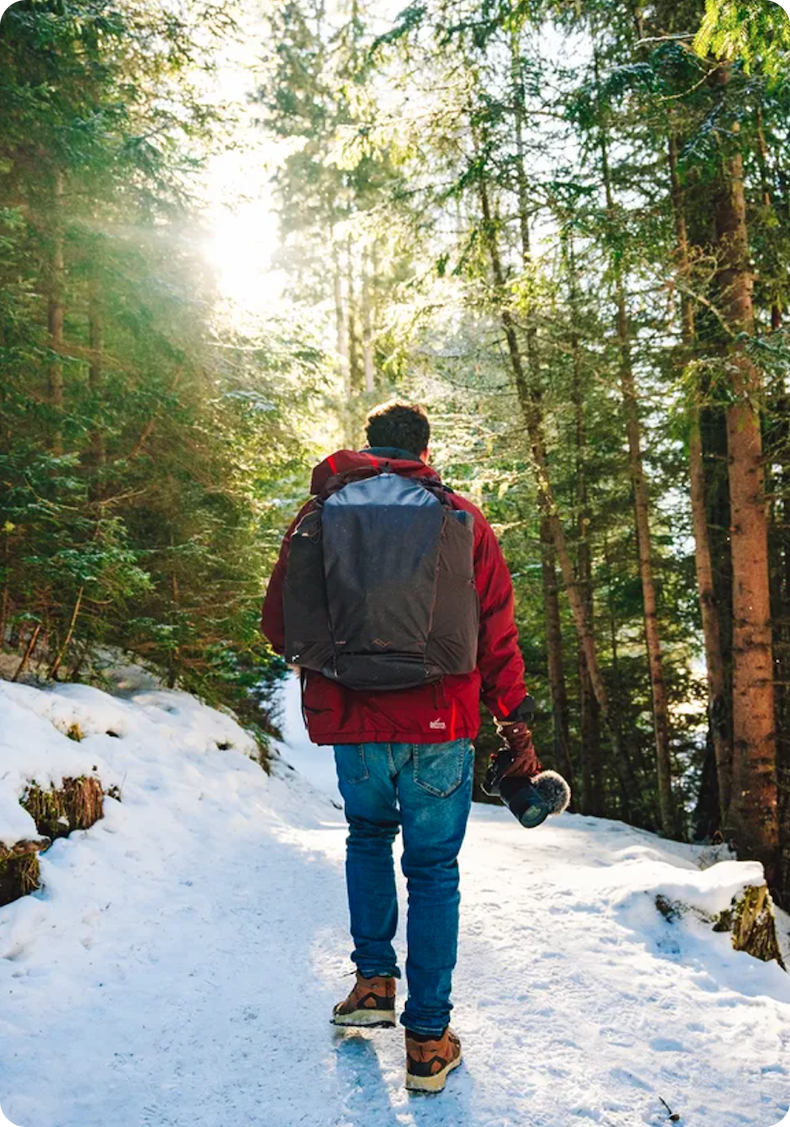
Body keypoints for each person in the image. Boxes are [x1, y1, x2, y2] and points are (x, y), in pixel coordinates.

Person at [260, 401, 540, 1093]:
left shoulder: (320, 512)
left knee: (366, 838)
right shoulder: (464, 519)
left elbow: (277, 622)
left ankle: (372, 985)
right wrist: (513, 716)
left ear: (369, 446)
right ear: (424, 450)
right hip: (441, 720)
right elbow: (497, 628)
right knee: (434, 870)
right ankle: (427, 1042)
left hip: (354, 719)